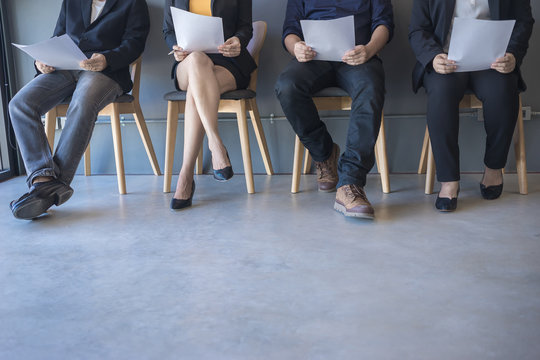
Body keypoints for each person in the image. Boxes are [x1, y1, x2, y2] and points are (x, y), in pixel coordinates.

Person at [8, 0, 150, 220]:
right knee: (19, 104)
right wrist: (42, 62)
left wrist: (107, 59)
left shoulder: (132, 2)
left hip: (105, 72)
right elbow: (57, 38)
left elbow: (135, 43)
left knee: (83, 102)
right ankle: (43, 181)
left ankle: (51, 186)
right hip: (65, 68)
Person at [409, 0, 534, 212]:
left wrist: (513, 54)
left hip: (492, 61)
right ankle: (449, 181)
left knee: (503, 91)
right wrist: (432, 57)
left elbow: (524, 21)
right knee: (441, 93)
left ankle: (493, 168)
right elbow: (418, 28)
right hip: (447, 59)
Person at [275, 0, 394, 219]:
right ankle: (324, 154)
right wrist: (296, 48)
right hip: (313, 59)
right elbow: (290, 30)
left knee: (370, 88)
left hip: (358, 57)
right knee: (287, 87)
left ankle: (351, 182)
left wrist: (368, 49)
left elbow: (384, 23)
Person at [163, 0, 256, 210]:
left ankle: (185, 176)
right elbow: (168, 29)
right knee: (197, 60)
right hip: (188, 62)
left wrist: (238, 40)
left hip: (227, 62)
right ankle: (215, 144)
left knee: (196, 93)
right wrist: (175, 47)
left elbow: (245, 27)